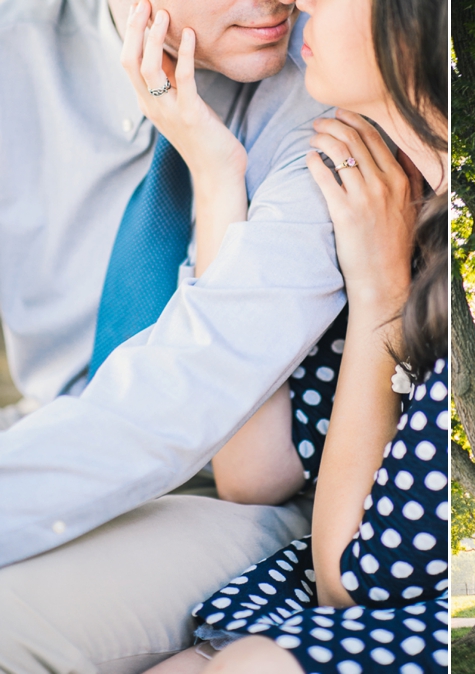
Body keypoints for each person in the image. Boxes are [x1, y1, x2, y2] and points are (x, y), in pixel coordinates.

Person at [0, 1, 357, 670]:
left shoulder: (331, 75)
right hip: (41, 428)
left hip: (229, 490)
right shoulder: (14, 53)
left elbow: (198, 382)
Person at [117, 0, 449, 669]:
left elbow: (354, 584)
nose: (298, 3)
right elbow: (253, 466)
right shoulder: (379, 192)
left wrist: (381, 297)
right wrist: (214, 173)